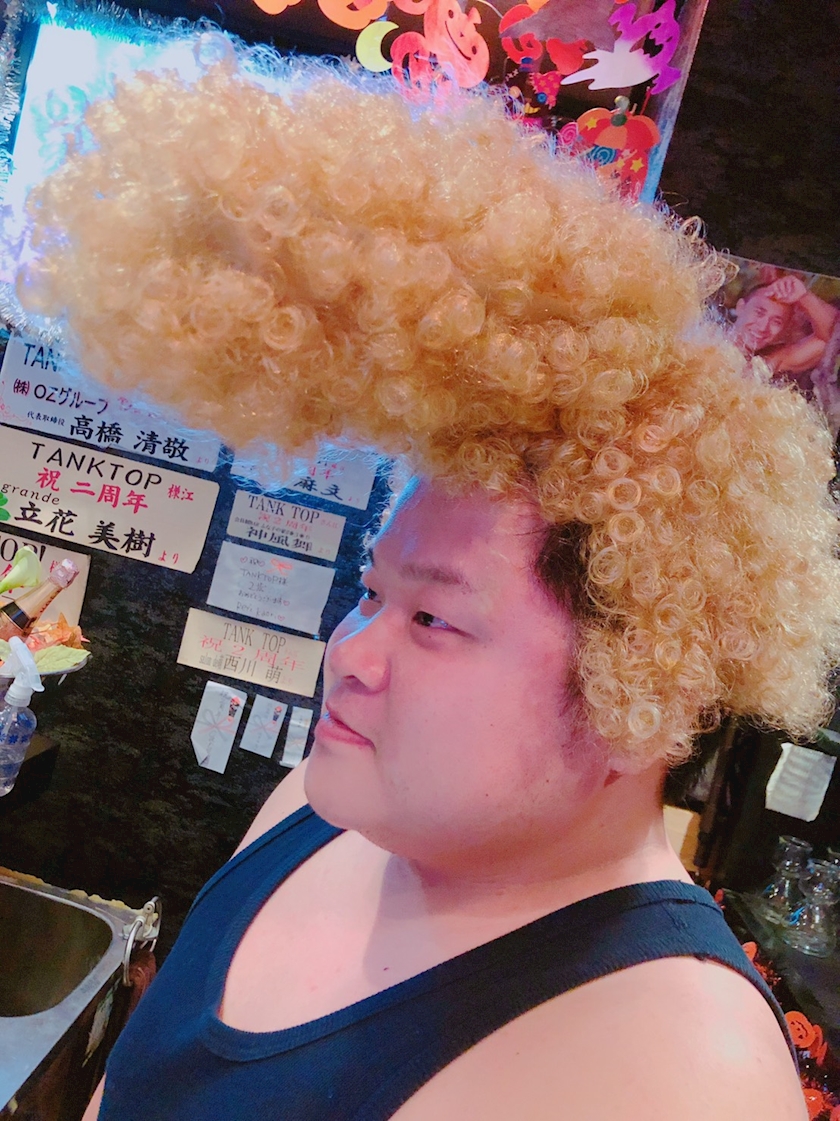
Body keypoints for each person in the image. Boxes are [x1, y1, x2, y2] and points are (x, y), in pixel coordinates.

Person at [10, 33, 840, 1121]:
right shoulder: (315, 810)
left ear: (640, 690)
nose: (350, 651)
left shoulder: (673, 1072)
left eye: (436, 618)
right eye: (371, 593)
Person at [730, 273, 839, 391]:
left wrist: (804, 297)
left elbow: (834, 337)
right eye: (759, 313)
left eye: (776, 322)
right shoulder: (714, 334)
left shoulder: (769, 362)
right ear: (740, 307)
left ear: (784, 330)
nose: (763, 327)